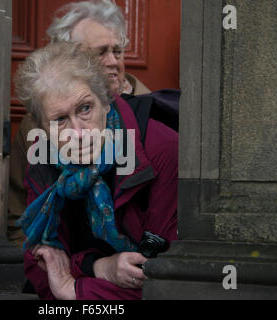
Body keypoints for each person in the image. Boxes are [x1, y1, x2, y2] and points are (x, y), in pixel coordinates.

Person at [14, 41, 178, 300]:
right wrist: (99, 267)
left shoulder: (162, 150)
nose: (78, 134)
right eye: (60, 120)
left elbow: (166, 283)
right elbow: (41, 268)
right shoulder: (43, 153)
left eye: (85, 108)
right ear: (43, 129)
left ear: (106, 102)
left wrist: (75, 288)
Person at [8, 0, 151, 247]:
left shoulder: (152, 112)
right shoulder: (36, 128)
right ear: (67, 58)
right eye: (99, 53)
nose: (112, 61)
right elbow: (20, 213)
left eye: (117, 51)